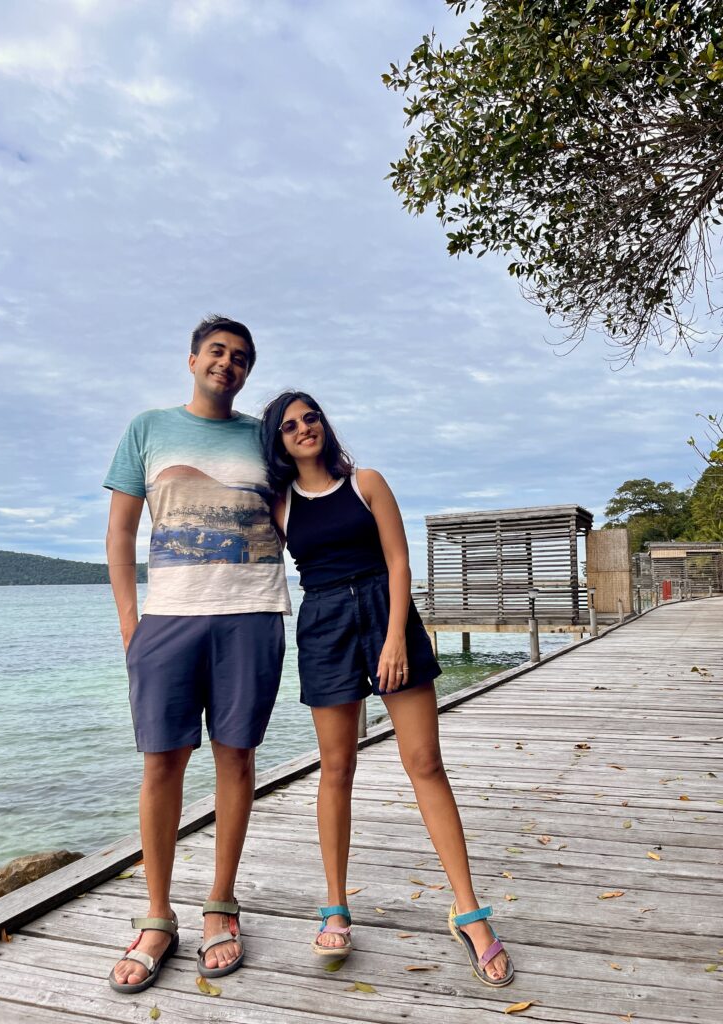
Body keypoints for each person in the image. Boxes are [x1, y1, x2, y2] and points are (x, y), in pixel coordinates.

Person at [260, 391, 514, 988]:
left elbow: (399, 562)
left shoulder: (366, 481)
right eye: (290, 426)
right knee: (336, 768)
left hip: (384, 609)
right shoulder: (279, 506)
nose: (304, 430)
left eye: (311, 418)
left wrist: (395, 636)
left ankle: (468, 911)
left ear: (324, 423)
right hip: (323, 624)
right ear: (279, 441)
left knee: (425, 761)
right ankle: (335, 905)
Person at [104, 316, 290, 994]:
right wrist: (131, 620)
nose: (228, 364)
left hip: (253, 614)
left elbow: (303, 509)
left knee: (236, 757)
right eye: (218, 352)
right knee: (161, 763)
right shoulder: (148, 429)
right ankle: (157, 916)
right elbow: (121, 532)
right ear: (192, 360)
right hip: (169, 619)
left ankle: (220, 905)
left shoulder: (262, 439)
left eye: (241, 358)